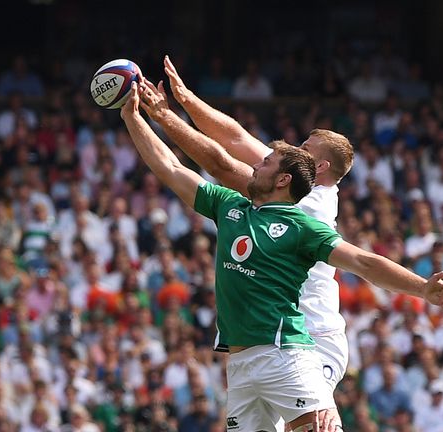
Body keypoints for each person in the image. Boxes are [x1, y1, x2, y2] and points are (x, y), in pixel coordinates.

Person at [121, 81, 443, 431]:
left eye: (267, 161)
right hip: (242, 363)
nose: (255, 164)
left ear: (287, 177)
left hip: (300, 345)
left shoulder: (305, 217)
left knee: (321, 428)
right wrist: (136, 116)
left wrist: (422, 288)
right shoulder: (234, 206)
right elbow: (179, 166)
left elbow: (363, 261)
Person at [144, 55, 354, 427]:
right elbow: (236, 137)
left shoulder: (307, 200)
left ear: (319, 167)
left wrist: (166, 116)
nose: (295, 147)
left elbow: (223, 164)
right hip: (280, 338)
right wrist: (186, 98)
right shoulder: (299, 183)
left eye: (306, 145)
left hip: (312, 337)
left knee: (316, 427)